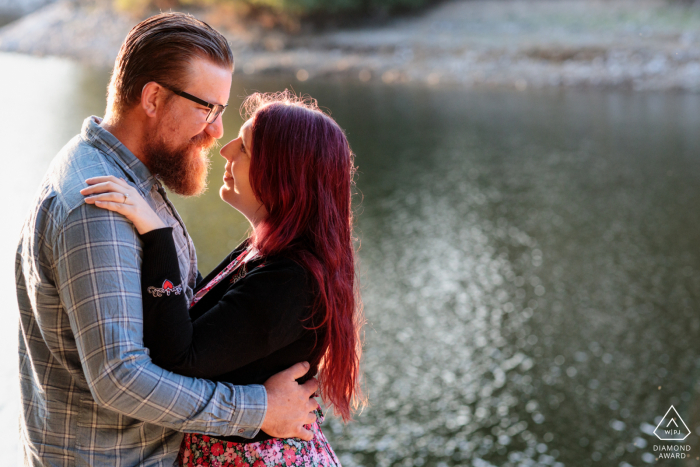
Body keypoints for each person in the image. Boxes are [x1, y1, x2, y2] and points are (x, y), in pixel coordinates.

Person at [15, 13, 319, 466]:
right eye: (206, 108)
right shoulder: (98, 207)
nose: (217, 132)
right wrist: (260, 409)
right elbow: (120, 378)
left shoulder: (131, 178)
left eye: (220, 111)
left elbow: (181, 310)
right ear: (153, 98)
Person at [80, 90, 365, 467]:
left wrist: (157, 235)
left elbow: (180, 356)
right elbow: (197, 312)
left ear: (285, 174)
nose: (226, 150)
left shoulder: (292, 281)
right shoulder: (265, 254)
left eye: (245, 147)